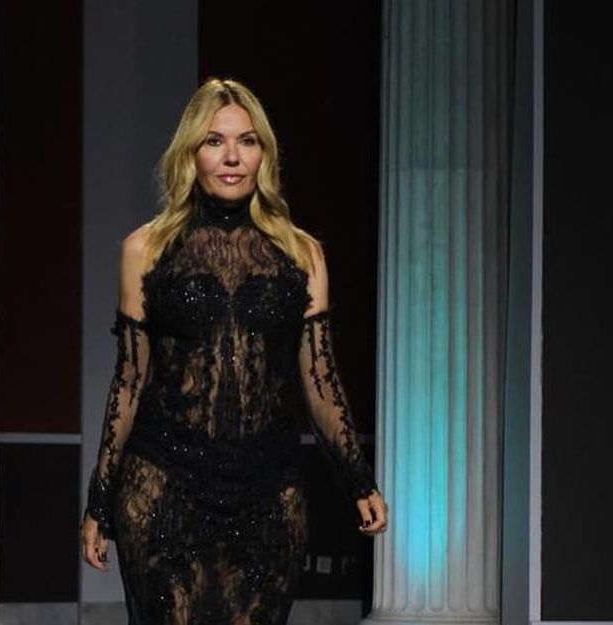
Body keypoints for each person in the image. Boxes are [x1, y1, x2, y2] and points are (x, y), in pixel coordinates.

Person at [80, 77, 388, 625]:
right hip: (164, 482)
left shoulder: (302, 254)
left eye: (247, 141)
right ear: (190, 153)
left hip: (268, 490)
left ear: (263, 154)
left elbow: (319, 378)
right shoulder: (145, 250)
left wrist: (358, 478)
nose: (231, 157)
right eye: (214, 141)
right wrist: (99, 500)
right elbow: (129, 380)